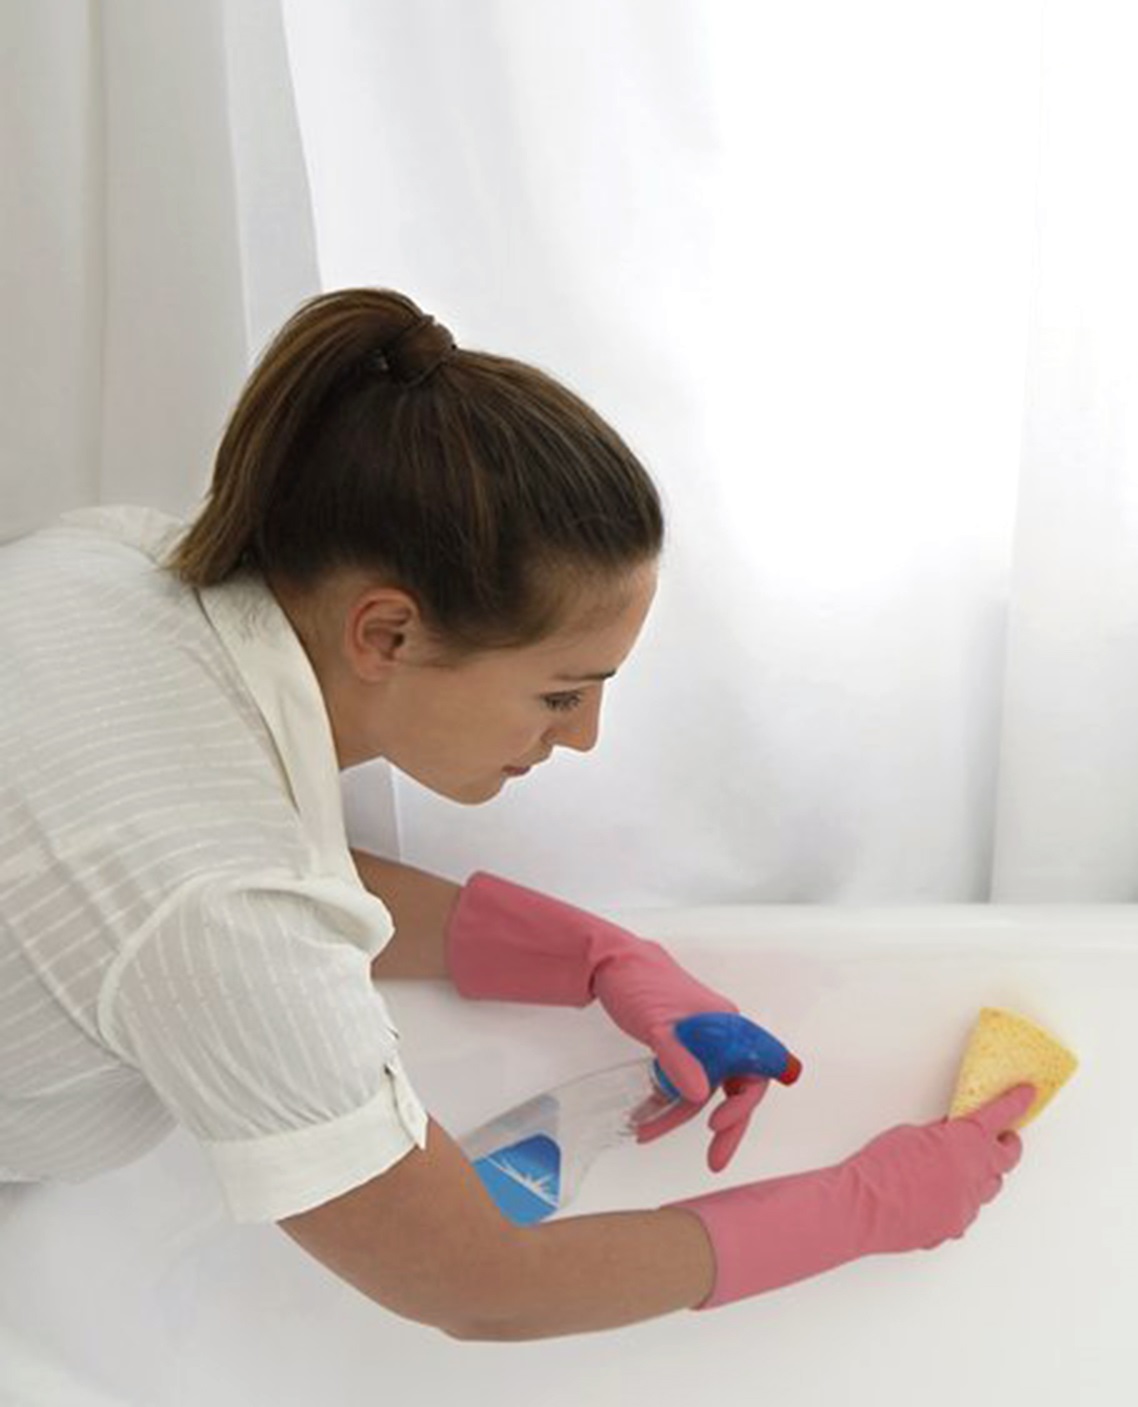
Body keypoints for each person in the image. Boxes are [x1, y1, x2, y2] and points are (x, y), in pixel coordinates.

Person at [0, 288, 1031, 1339]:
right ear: (386, 635)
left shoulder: (112, 566)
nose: (582, 737)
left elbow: (155, 879)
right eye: (559, 693)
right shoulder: (223, 904)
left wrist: (587, 955)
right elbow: (479, 1282)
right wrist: (862, 1210)